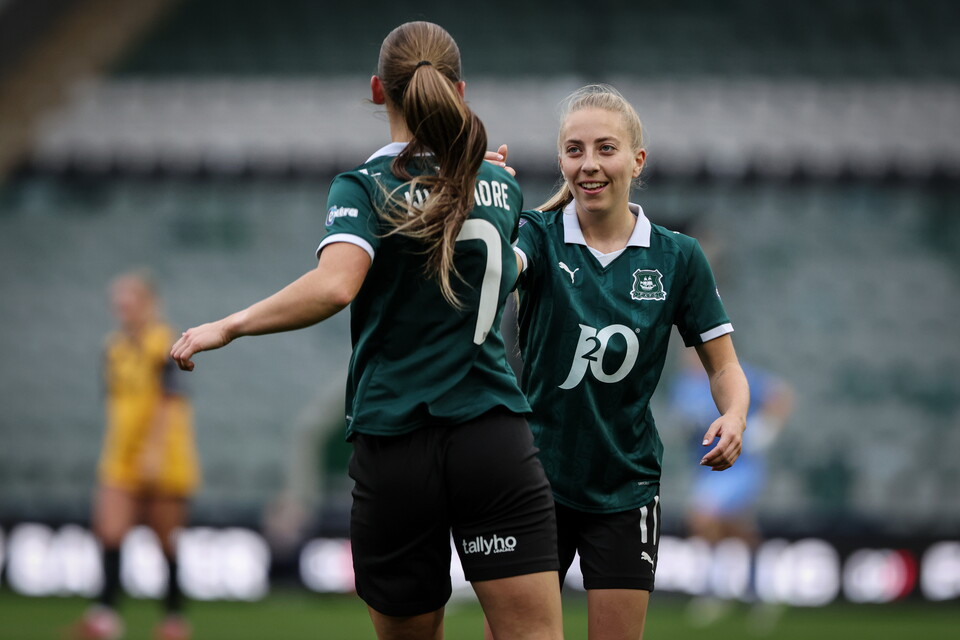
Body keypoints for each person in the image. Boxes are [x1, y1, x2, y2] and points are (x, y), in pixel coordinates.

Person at [171, 21, 563, 640]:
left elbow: (335, 285)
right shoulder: (502, 185)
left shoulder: (363, 186)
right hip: (492, 436)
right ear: (460, 90)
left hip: (396, 442)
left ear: (379, 90)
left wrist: (231, 325)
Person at [492, 84, 750, 640]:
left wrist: (734, 415)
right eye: (574, 149)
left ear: (637, 160)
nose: (588, 165)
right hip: (535, 477)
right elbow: (493, 275)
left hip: (625, 486)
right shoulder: (537, 235)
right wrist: (484, 211)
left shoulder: (679, 257)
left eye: (605, 149)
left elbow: (724, 367)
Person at [75, 270, 199, 640]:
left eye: (130, 301)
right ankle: (105, 617)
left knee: (166, 540)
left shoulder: (166, 343)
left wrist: (154, 451)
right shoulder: (112, 348)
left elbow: (171, 401)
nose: (123, 309)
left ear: (149, 303)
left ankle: (174, 620)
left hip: (165, 459)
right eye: (119, 303)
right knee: (109, 532)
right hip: (119, 459)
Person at [668, 348, 793, 626]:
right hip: (708, 468)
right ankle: (759, 592)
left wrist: (767, 428)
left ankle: (713, 590)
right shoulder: (682, 385)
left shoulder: (733, 373)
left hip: (740, 464)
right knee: (737, 530)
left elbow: (780, 394)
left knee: (702, 516)